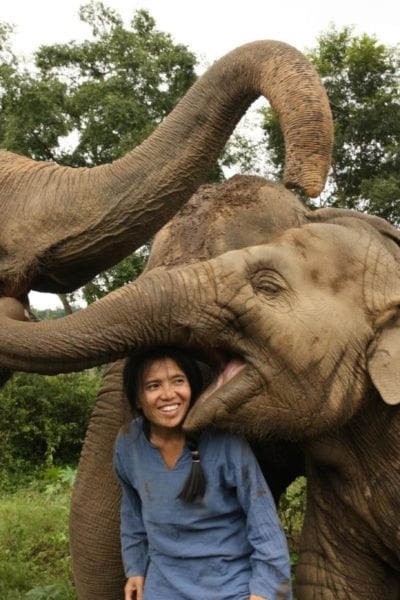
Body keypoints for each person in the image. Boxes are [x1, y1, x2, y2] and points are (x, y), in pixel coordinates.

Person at [113, 346, 292, 600]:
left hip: (231, 586)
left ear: (192, 387)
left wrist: (263, 592)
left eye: (178, 381)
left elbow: (263, 525)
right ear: (138, 399)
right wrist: (135, 568)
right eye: (153, 386)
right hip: (165, 586)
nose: (168, 394)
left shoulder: (225, 442)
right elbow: (132, 513)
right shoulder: (128, 443)